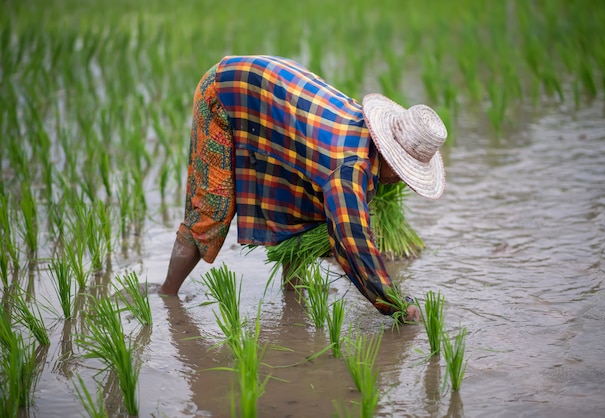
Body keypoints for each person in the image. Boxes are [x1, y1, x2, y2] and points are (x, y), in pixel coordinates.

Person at [159, 55, 448, 323]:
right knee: (212, 208)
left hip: (274, 93)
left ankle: (292, 290)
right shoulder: (348, 172)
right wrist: (395, 302)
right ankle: (167, 295)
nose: (399, 181)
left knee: (303, 204)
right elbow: (352, 244)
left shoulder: (364, 134)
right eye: (401, 174)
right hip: (226, 91)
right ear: (389, 156)